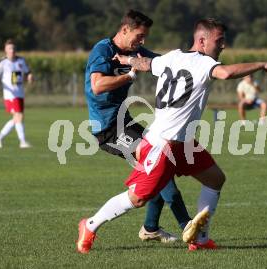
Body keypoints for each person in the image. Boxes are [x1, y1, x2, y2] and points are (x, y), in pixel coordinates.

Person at [76, 18, 267, 253]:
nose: (223, 46)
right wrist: (262, 64)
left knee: (215, 179)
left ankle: (201, 240)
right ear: (202, 41)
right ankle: (90, 225)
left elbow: (146, 63)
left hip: (182, 142)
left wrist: (127, 59)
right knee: (138, 198)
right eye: (220, 41)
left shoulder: (172, 57)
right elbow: (225, 73)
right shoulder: (203, 63)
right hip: (161, 144)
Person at [83, 9, 192, 244]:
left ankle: (151, 228)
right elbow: (98, 86)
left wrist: (192, 60)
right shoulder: (103, 50)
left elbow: (161, 62)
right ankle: (190, 229)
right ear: (125, 30)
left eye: (144, 38)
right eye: (139, 36)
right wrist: (129, 76)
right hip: (108, 129)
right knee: (161, 166)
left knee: (162, 167)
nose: (142, 42)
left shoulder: (135, 51)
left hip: (125, 122)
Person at [0, 39, 33, 148]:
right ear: (5, 50)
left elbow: (27, 71)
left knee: (18, 118)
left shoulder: (21, 60)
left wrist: (29, 76)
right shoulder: (2, 62)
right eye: (10, 48)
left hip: (19, 93)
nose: (12, 50)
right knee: (18, 116)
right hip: (9, 94)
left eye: (14, 48)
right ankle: (22, 142)